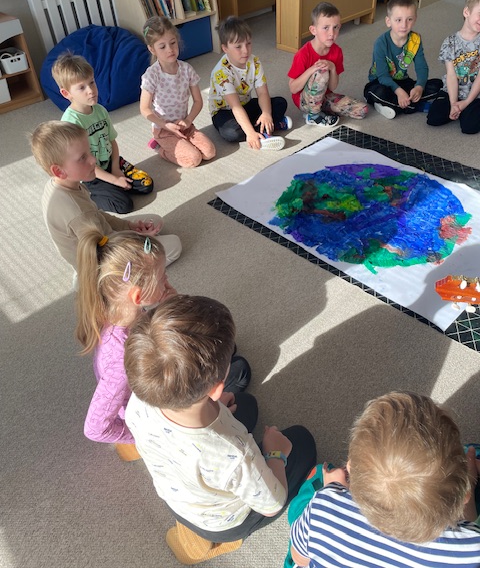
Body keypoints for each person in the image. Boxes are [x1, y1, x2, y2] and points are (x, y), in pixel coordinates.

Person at [124, 295, 317, 565]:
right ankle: (221, 540)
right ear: (216, 389)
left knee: (247, 404)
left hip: (177, 495)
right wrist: (276, 453)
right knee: (301, 440)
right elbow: (272, 503)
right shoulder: (235, 452)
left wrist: (215, 408)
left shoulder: (137, 402)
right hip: (223, 523)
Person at [76, 233, 252, 461]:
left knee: (222, 345)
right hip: (164, 406)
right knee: (242, 386)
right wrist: (149, 438)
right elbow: (95, 429)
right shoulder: (119, 362)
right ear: (138, 296)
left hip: (159, 372)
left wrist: (171, 304)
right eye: (162, 277)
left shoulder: (115, 312)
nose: (167, 279)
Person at [289, 391, 480, 568]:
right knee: (473, 451)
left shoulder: (322, 510)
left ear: (351, 469)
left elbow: (299, 559)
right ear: (464, 496)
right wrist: (469, 482)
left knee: (315, 482)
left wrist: (332, 489)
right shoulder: (472, 550)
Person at [29, 120, 182, 275]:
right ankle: (113, 281)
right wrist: (137, 238)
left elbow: (97, 214)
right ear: (59, 171)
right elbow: (106, 248)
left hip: (101, 238)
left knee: (155, 220)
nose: (93, 160)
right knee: (174, 245)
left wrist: (129, 226)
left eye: (89, 152)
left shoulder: (63, 184)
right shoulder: (77, 212)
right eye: (82, 157)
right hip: (102, 264)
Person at [51, 52, 153, 214]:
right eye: (82, 87)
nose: (91, 90)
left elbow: (112, 141)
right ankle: (87, 195)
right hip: (88, 174)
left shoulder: (100, 110)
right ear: (66, 93)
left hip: (109, 163)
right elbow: (82, 162)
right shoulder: (71, 123)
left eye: (92, 82)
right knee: (124, 205)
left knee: (146, 185)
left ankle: (113, 184)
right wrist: (114, 180)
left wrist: (115, 168)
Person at [140, 16, 217, 168]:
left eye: (173, 43)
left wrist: (188, 120)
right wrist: (165, 125)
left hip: (185, 126)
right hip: (164, 129)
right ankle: (159, 147)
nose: (170, 49)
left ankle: (183, 143)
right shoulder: (151, 75)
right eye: (162, 46)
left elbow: (198, 101)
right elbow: (144, 109)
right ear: (152, 49)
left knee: (209, 152)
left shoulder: (187, 69)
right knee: (193, 159)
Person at [209, 15, 292, 151]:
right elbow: (235, 107)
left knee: (280, 103)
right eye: (238, 46)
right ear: (225, 48)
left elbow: (262, 93)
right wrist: (249, 133)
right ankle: (264, 130)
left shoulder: (255, 62)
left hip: (245, 104)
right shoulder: (221, 73)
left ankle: (264, 125)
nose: (245, 50)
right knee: (231, 132)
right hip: (224, 111)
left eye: (248, 43)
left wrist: (266, 113)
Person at [288, 1, 368, 127]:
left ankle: (323, 109)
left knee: (362, 110)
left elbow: (333, 86)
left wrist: (333, 68)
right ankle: (313, 115)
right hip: (304, 100)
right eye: (326, 28)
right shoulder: (303, 54)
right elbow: (293, 88)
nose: (331, 33)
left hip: (324, 96)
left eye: (335, 27)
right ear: (313, 30)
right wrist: (312, 69)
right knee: (321, 71)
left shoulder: (337, 51)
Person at [364, 0, 442, 120]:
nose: (404, 25)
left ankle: (398, 105)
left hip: (403, 81)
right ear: (388, 21)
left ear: (415, 19)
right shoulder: (380, 43)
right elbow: (382, 76)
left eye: (409, 19)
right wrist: (399, 92)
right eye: (398, 20)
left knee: (439, 85)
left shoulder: (415, 40)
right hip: (380, 82)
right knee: (376, 92)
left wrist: (419, 87)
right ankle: (414, 105)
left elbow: (422, 67)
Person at [427, 0, 480, 134]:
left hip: (476, 93)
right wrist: (453, 103)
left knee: (469, 127)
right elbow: (451, 75)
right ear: (466, 12)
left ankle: (467, 108)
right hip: (453, 90)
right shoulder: (450, 42)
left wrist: (466, 102)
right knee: (434, 119)